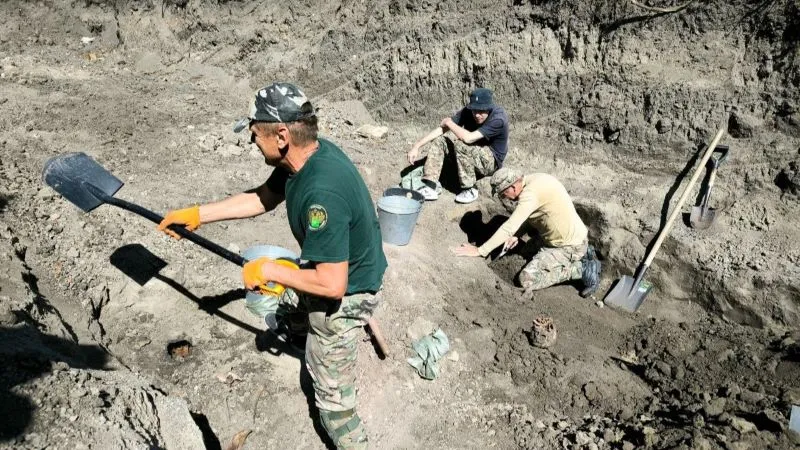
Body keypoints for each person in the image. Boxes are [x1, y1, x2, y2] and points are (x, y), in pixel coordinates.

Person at [157, 82, 387, 450]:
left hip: (350, 288)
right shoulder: (305, 157)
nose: (252, 143)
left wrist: (269, 270)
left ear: (281, 135)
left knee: (333, 407)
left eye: (254, 135)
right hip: (332, 266)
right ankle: (300, 325)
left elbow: (332, 286)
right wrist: (198, 215)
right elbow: (263, 199)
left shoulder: (321, 192)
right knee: (291, 306)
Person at [452, 167, 601, 297]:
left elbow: (509, 226)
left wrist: (480, 250)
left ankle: (581, 269)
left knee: (526, 279)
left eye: (503, 194)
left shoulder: (529, 195)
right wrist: (517, 234)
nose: (504, 199)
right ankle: (583, 253)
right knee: (525, 251)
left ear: (513, 188)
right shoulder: (535, 179)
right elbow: (534, 214)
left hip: (568, 245)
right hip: (562, 235)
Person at [406, 87, 509, 204]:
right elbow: (441, 130)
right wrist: (417, 146)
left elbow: (468, 138)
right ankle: (430, 186)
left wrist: (449, 122)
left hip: (491, 162)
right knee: (440, 140)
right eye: (475, 110)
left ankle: (469, 189)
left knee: (461, 144)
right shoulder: (469, 111)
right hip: (472, 154)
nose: (477, 115)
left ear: (489, 108)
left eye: (481, 111)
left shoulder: (498, 118)